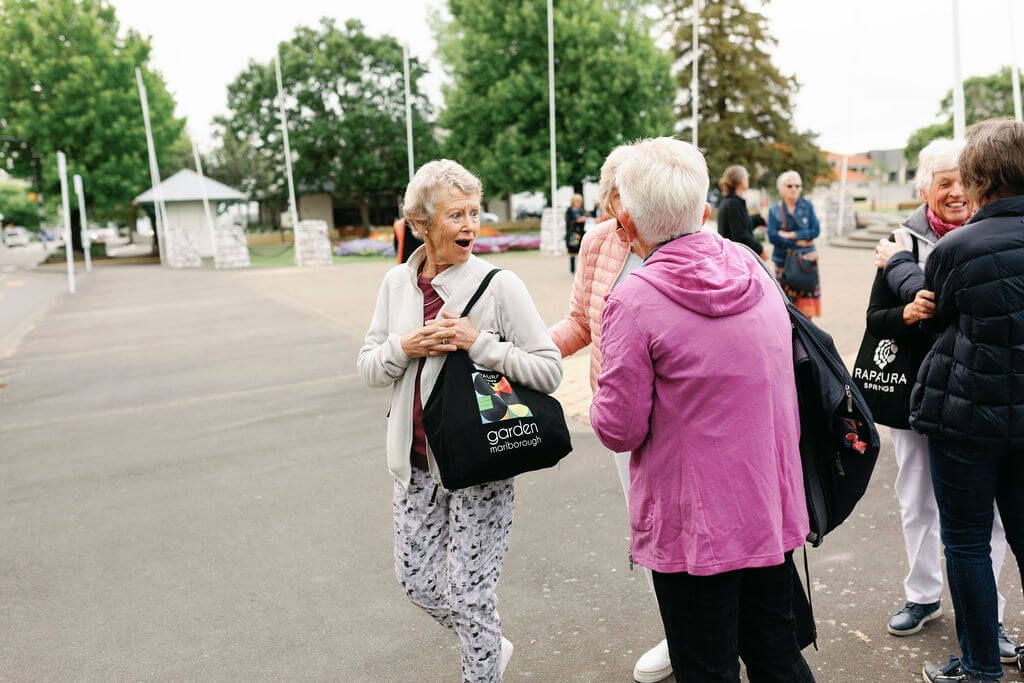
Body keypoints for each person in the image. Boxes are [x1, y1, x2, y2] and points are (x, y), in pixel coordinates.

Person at [590, 137, 814, 682]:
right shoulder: (750, 266)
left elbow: (617, 428)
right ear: (705, 209)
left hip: (695, 529)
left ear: (627, 220)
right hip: (768, 505)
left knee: (706, 667)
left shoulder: (634, 300)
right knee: (775, 656)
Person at [358, 159, 562, 683]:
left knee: (471, 595)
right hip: (416, 464)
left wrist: (481, 344)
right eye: (456, 215)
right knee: (418, 583)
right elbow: (368, 368)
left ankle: (482, 666)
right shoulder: (396, 284)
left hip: (479, 464)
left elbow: (549, 369)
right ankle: (490, 644)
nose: (471, 225)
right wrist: (404, 346)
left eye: (475, 211)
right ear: (421, 223)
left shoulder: (499, 285)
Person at [870, 139, 1016, 660]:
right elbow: (876, 321)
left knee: (989, 518)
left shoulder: (980, 239)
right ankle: (923, 594)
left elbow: (946, 308)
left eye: (962, 180)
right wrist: (904, 315)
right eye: (943, 182)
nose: (955, 192)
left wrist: (907, 283)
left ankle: (990, 617)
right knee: (917, 499)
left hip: (979, 401)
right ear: (924, 189)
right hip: (919, 394)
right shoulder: (901, 239)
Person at [549, 144, 673, 683]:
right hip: (623, 415)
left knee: (697, 525)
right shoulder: (598, 241)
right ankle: (679, 631)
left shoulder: (680, 236)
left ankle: (717, 628)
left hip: (684, 416)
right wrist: (520, 351)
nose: (625, 206)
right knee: (648, 530)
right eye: (617, 192)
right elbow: (581, 321)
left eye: (634, 190)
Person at [915, 119, 1024, 683]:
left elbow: (943, 316)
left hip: (967, 416)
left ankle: (981, 665)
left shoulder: (957, 247)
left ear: (980, 177)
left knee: (964, 540)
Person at [767, 171, 821, 318]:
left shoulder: (807, 206)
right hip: (784, 263)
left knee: (806, 311)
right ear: (781, 188)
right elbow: (773, 237)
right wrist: (799, 242)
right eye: (790, 185)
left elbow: (815, 230)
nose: (794, 189)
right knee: (784, 308)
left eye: (798, 186)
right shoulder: (774, 210)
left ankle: (805, 338)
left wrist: (793, 235)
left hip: (806, 264)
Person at [716, 165, 767, 260]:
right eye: (746, 176)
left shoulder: (729, 201)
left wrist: (760, 220)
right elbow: (741, 236)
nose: (748, 179)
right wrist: (760, 250)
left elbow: (743, 224)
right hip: (735, 260)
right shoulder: (734, 203)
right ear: (741, 180)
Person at [565, 193, 587, 274]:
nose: (579, 203)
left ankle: (580, 270)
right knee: (572, 251)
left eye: (579, 201)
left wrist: (583, 220)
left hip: (581, 234)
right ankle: (572, 270)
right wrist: (577, 221)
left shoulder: (581, 210)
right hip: (573, 234)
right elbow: (568, 222)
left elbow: (584, 221)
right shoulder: (569, 211)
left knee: (580, 252)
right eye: (577, 201)